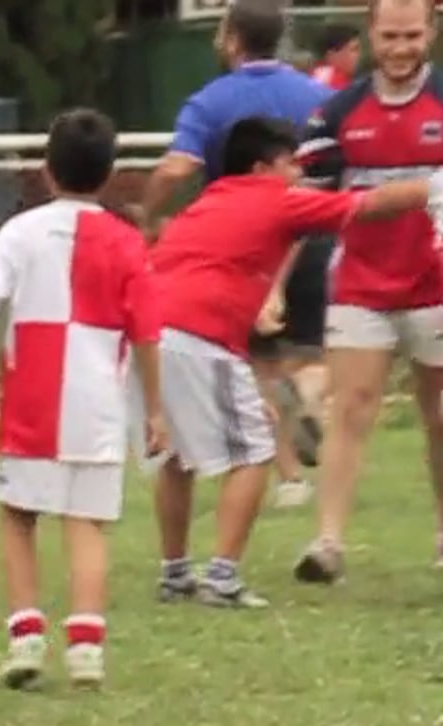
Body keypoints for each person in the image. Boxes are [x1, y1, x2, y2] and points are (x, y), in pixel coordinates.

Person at [147, 116, 440, 610]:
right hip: (198, 334)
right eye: (290, 165)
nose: (299, 175)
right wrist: (431, 186)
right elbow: (366, 205)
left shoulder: (210, 200)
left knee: (177, 456)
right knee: (256, 452)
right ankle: (222, 578)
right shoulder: (275, 198)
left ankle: (175, 574)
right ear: (261, 168)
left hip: (150, 334)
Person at [0, 110, 165, 692]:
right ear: (110, 174)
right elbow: (146, 332)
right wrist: (156, 409)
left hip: (33, 400)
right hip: (98, 405)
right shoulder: (126, 241)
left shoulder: (20, 232)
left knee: (19, 516)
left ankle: (26, 637)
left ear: (46, 170)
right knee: (87, 522)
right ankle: (86, 646)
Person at [140, 0, 333, 510]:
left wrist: (147, 212)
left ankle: (289, 475)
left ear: (231, 39)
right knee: (311, 352)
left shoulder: (210, 101)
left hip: (243, 250)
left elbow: (178, 167)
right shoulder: (320, 96)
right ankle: (310, 395)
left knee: (252, 365)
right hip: (313, 234)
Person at [293, 0, 443, 582]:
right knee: (352, 408)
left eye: (412, 35)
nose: (401, 48)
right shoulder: (336, 113)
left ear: (431, 31)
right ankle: (328, 542)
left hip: (435, 287)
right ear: (371, 35)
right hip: (361, 284)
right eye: (390, 36)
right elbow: (308, 201)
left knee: (439, 415)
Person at [309, 24, 360, 89]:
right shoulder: (335, 81)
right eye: (354, 49)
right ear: (331, 55)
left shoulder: (313, 76)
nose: (358, 55)